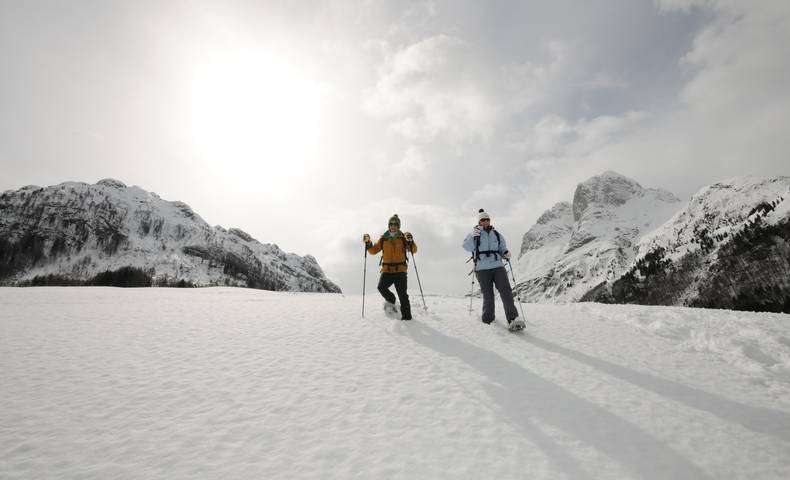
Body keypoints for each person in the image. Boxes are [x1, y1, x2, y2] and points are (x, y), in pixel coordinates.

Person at [463, 209, 525, 330]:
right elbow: (466, 246)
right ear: (479, 221)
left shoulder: (496, 234)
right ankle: (488, 319)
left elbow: (502, 248)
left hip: (498, 266)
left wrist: (505, 252)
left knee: (506, 290)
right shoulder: (474, 234)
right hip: (482, 268)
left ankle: (513, 319)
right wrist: (472, 235)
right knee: (488, 294)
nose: (485, 221)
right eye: (483, 220)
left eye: (487, 219)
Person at [363, 214, 417, 320]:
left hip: (400, 271)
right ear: (388, 225)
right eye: (391, 224)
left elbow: (413, 250)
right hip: (387, 271)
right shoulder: (384, 239)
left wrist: (410, 242)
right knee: (381, 287)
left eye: (395, 224)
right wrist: (368, 243)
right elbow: (374, 251)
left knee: (403, 295)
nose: (393, 226)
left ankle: (407, 318)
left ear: (398, 226)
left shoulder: (403, 238)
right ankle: (392, 300)